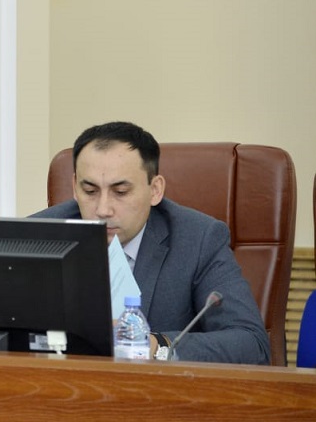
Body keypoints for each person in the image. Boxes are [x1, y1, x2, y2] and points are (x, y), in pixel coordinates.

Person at [33, 121, 270, 364]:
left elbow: (253, 345)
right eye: (90, 191)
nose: (103, 209)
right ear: (75, 187)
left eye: (121, 192)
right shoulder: (38, 235)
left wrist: (156, 345)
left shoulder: (199, 240)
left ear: (155, 190)